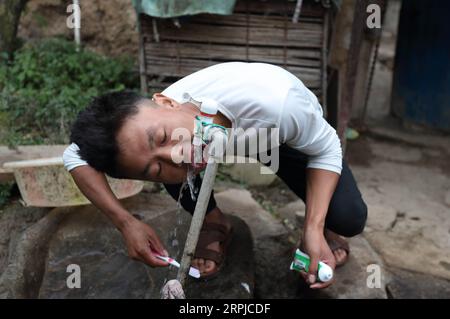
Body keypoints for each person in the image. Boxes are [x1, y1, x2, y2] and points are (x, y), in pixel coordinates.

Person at [63, 62, 367, 289]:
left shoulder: (279, 105)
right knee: (174, 172)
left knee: (348, 217)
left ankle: (321, 231)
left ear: (167, 102)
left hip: (275, 137)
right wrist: (126, 223)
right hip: (225, 134)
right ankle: (215, 223)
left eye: (164, 137)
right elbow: (73, 156)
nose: (174, 155)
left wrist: (313, 227)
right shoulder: (154, 136)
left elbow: (327, 149)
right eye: (153, 169)